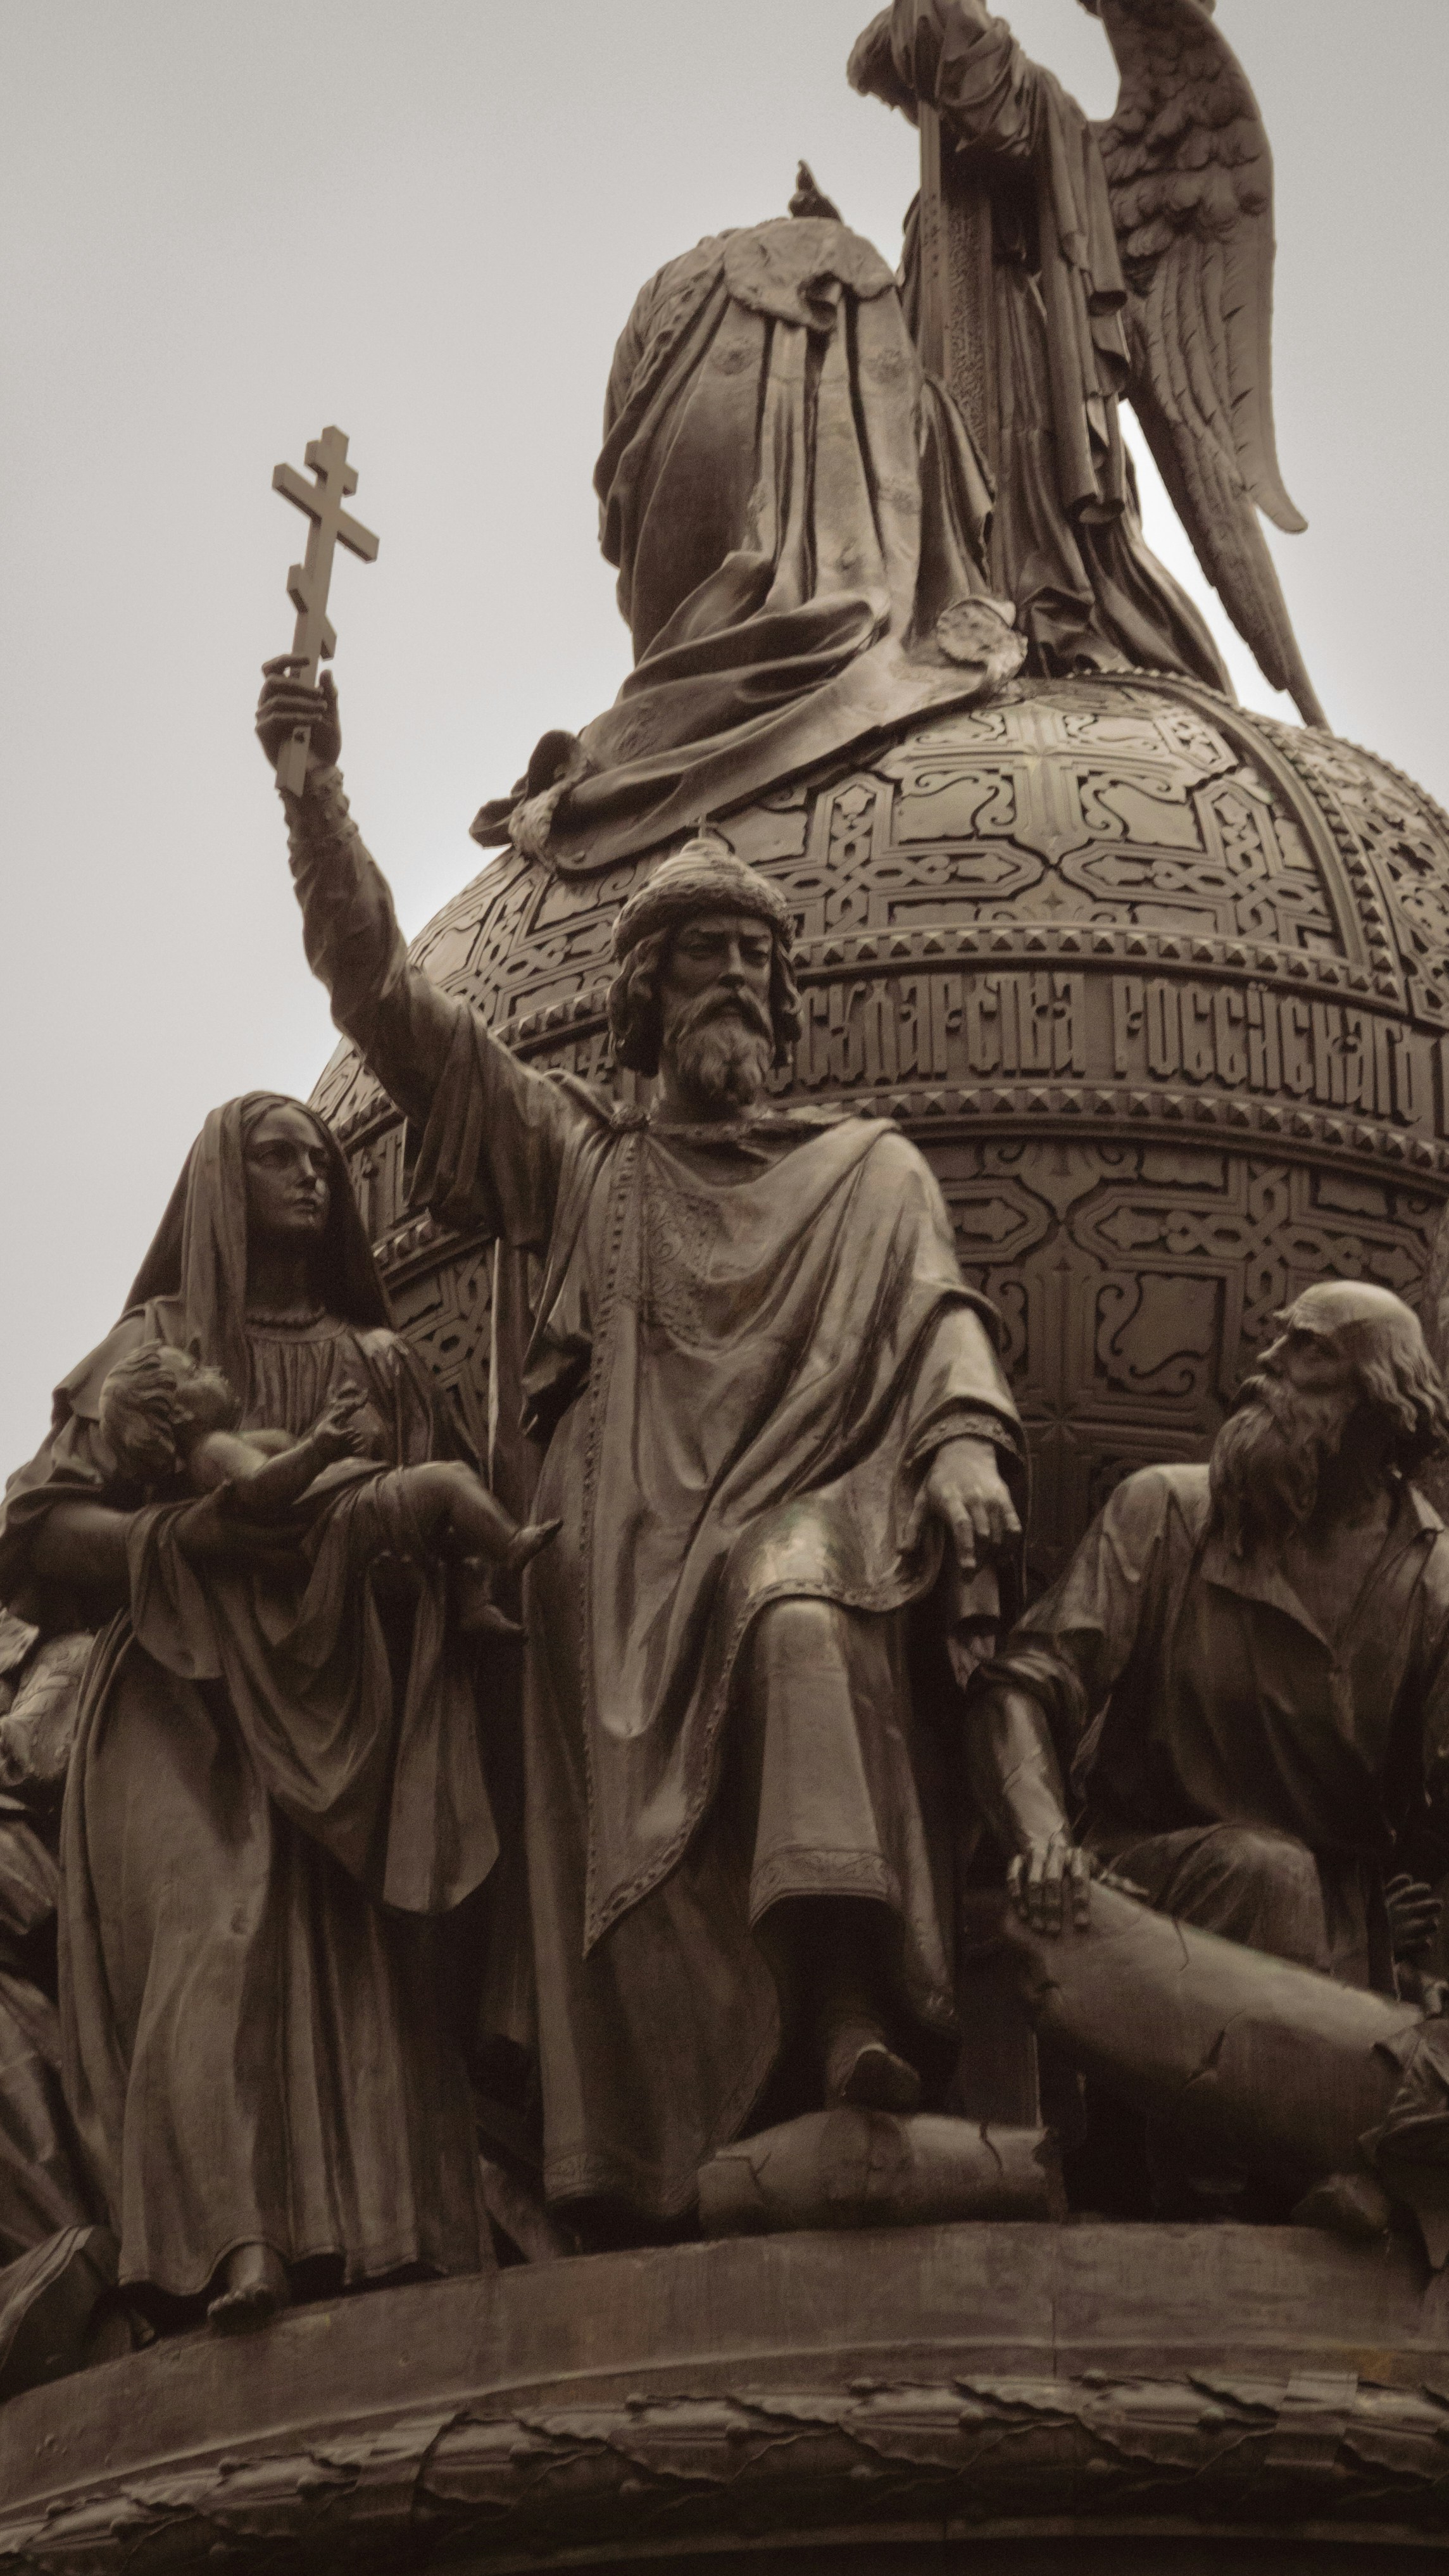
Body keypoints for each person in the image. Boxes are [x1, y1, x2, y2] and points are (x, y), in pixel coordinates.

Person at [257, 660, 1029, 2236]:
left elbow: (944, 1322)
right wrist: (312, 799)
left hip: (816, 1530)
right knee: (735, 1605)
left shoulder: (867, 1173)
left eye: (754, 963)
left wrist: (964, 1448)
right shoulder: (573, 1158)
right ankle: (625, 2164)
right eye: (702, 967)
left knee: (800, 1598)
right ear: (645, 1000)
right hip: (617, 1581)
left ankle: (843, 2022)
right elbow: (385, 1007)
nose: (733, 988)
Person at [0, 1094, 501, 2330]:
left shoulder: (381, 1363)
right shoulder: (155, 1347)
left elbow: (430, 1552)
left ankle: (394, 2248)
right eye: (275, 1154)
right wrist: (189, 1537)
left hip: (351, 1703)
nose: (309, 1173)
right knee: (212, 1938)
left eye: (320, 1155)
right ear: (220, 1184)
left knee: (359, 1977)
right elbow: (39, 1530)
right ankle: (221, 2253)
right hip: (174, 1700)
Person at [965, 1283, 1449, 1997]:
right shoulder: (1166, 1509)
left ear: (1381, 1404)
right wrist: (1042, 1838)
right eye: (1278, 1334)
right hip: (1133, 1884)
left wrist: (1415, 1957)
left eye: (1308, 1346)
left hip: (1339, 1936)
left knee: (1287, 1886)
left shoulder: (1433, 1591)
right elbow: (1023, 1683)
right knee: (1269, 1874)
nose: (1266, 1357)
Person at [96, 1340, 559, 1626]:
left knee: (442, 1535)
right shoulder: (213, 1450)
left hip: (345, 1504)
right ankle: (511, 1543)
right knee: (448, 1481)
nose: (213, 1370)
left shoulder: (218, 1445)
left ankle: (471, 1606)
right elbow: (260, 1486)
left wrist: (327, 1429)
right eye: (196, 1372)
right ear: (178, 1413)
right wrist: (318, 1447)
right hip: (344, 1518)